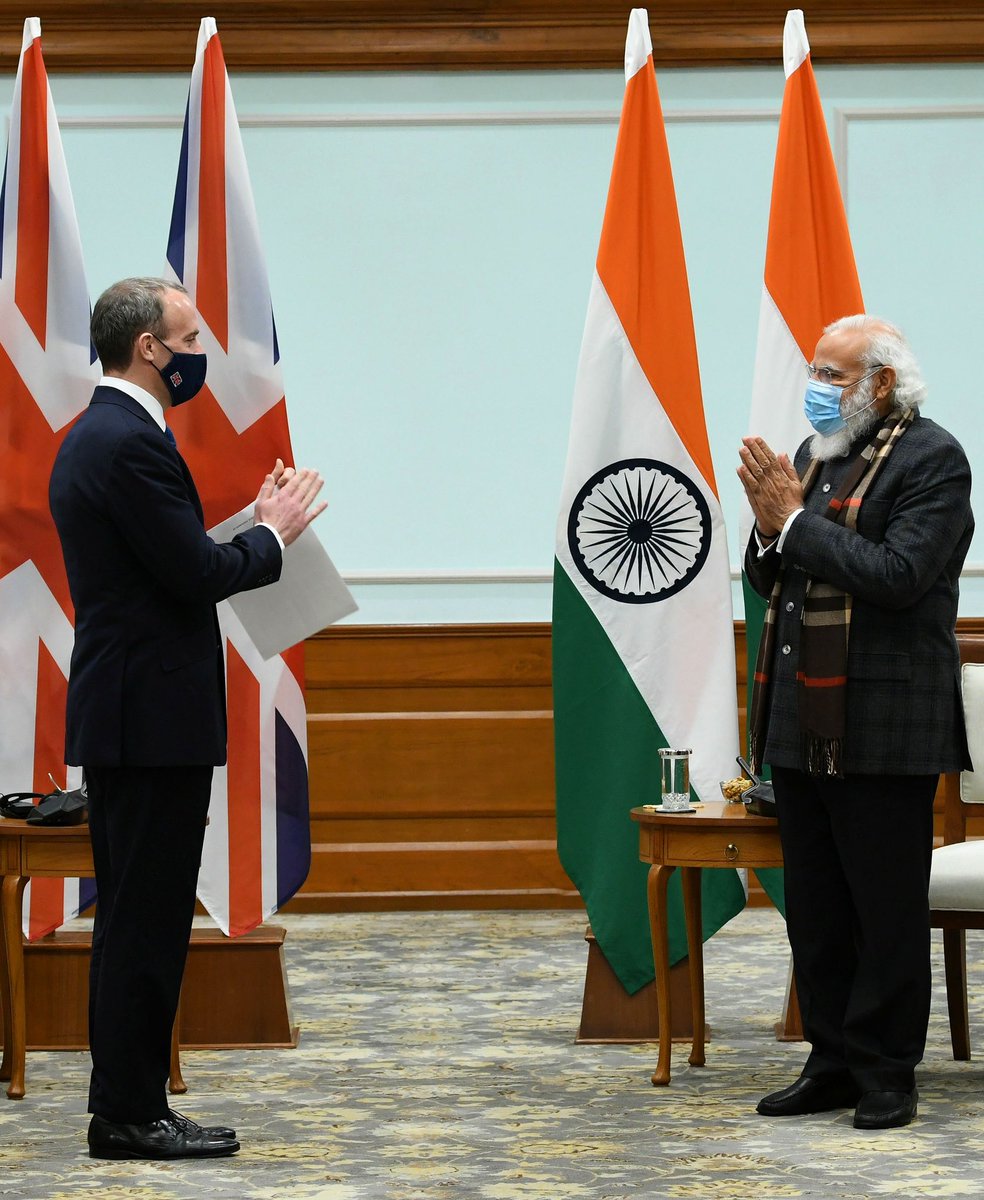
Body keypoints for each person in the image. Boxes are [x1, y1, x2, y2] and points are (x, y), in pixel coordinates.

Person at [49, 277, 326, 1160]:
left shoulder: (103, 434)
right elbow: (193, 574)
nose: (201, 349)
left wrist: (250, 532)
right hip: (147, 718)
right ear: (148, 349)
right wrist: (274, 534)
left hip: (135, 712)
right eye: (190, 334)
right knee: (146, 919)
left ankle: (128, 1104)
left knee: (141, 915)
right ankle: (128, 1113)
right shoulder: (127, 441)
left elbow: (163, 563)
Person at [738, 315, 973, 1131]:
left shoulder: (932, 458)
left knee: (885, 905)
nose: (816, 384)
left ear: (880, 383)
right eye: (813, 368)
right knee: (818, 907)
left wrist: (795, 524)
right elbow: (777, 578)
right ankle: (831, 1058)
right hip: (803, 715)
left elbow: (901, 576)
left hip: (883, 719)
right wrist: (773, 528)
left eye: (832, 374)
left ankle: (886, 1071)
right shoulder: (816, 457)